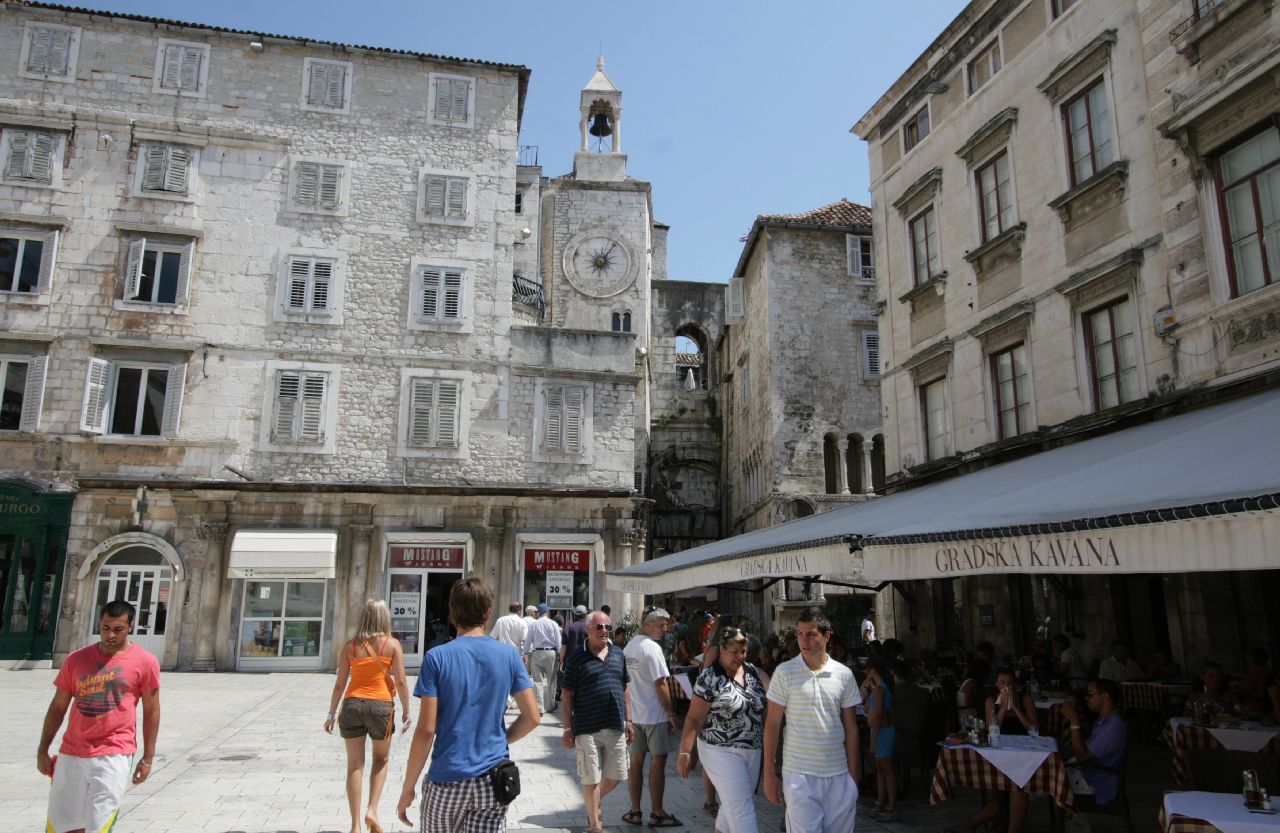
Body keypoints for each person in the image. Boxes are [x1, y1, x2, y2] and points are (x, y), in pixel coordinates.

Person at [396, 578, 539, 833]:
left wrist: (409, 787)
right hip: (492, 779)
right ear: (488, 612)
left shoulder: (436, 657)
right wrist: (502, 739)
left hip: (447, 778)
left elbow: (426, 730)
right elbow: (533, 717)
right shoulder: (508, 655)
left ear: (452, 613)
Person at [37, 600, 161, 833]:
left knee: (98, 826)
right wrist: (43, 749)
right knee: (64, 826)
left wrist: (148, 758)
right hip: (71, 752)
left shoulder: (145, 662)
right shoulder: (76, 659)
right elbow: (58, 706)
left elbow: (152, 711)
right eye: (105, 628)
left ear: (131, 626)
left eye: (118, 629)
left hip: (113, 754)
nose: (110, 635)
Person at [763, 608, 862, 833]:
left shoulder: (844, 674)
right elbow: (772, 724)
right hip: (799, 775)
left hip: (838, 774)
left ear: (827, 636)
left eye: (810, 634)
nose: (803, 640)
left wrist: (853, 776)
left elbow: (851, 727)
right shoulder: (784, 672)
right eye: (800, 634)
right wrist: (769, 773)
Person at [325, 599, 413, 833]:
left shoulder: (350, 647)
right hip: (381, 707)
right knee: (381, 759)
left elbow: (339, 684)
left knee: (354, 765)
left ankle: (355, 826)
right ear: (385, 619)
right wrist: (407, 710)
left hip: (352, 704)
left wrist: (331, 713)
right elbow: (401, 681)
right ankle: (372, 809)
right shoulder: (392, 645)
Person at [677, 625, 770, 833]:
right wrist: (685, 751)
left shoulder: (753, 672)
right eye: (734, 652)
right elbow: (694, 718)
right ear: (722, 650)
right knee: (742, 809)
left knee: (733, 806)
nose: (740, 656)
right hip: (719, 749)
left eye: (743, 651)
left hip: (752, 749)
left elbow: (767, 704)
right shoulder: (709, 677)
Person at [562, 610, 633, 833]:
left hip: (615, 723)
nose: (604, 631)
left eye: (607, 627)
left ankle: (592, 802)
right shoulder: (577, 657)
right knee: (590, 777)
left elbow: (625, 688)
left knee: (618, 774)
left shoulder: (618, 653)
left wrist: (629, 720)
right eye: (599, 627)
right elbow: (567, 694)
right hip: (587, 726)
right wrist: (567, 727)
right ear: (588, 629)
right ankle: (595, 825)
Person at [623, 607, 680, 828]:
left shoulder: (629, 647)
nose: (665, 629)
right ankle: (657, 812)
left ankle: (635, 811)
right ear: (647, 624)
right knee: (658, 761)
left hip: (635, 714)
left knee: (636, 762)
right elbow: (661, 683)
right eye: (660, 625)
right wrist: (671, 712)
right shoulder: (652, 648)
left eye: (666, 625)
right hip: (654, 714)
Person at [1060, 678, 1127, 808]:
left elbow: (1082, 757)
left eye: (1090, 694)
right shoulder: (1105, 719)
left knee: (1050, 780)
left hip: (1096, 782)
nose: (1086, 698)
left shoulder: (1113, 726)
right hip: (1089, 772)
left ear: (1105, 696)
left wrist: (1074, 721)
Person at [864, 658, 898, 822]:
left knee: (887, 769)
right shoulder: (878, 689)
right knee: (880, 769)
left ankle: (892, 805)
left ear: (873, 670)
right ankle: (881, 800)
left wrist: (873, 740)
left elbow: (878, 716)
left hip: (882, 733)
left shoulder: (880, 689)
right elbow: (869, 709)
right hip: (881, 731)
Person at [522, 602, 561, 714]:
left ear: (538, 613)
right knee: (551, 680)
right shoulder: (553, 624)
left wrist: (525, 653)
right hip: (551, 652)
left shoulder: (534, 624)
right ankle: (550, 705)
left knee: (538, 681)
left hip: (537, 653)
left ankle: (540, 707)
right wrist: (559, 653)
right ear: (547, 612)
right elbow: (558, 641)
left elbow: (528, 641)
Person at [986, 667, 1038, 736]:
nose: (1006, 686)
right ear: (996, 683)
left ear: (1014, 683)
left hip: (1023, 739)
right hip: (1000, 739)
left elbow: (1035, 729)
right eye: (1002, 683)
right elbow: (990, 729)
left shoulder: (1026, 700)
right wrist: (1004, 707)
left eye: (1009, 683)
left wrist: (1015, 707)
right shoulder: (991, 701)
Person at [1238, 647, 1273, 718]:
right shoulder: (1268, 670)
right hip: (1267, 707)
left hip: (1254, 707)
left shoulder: (1254, 671)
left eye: (1247, 656)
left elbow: (1245, 690)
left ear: (1251, 658)